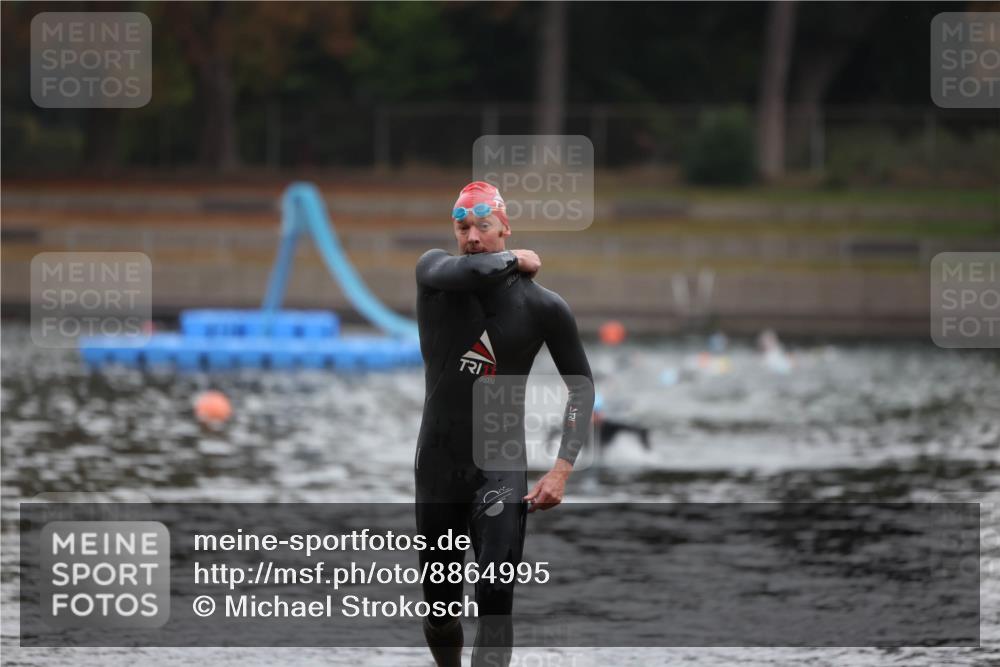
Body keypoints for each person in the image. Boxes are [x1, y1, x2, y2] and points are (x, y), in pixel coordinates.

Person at [414, 181, 594, 667]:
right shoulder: (434, 275)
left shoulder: (544, 307)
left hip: (499, 462)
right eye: (462, 227)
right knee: (440, 608)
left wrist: (561, 469)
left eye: (483, 226)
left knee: (495, 598)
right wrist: (517, 259)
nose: (471, 236)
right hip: (438, 465)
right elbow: (476, 269)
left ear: (505, 228)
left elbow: (580, 387)